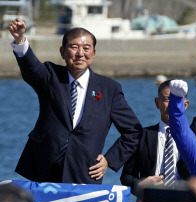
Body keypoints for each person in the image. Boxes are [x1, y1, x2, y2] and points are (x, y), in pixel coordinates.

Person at [8, 19, 142, 184]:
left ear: (93, 52)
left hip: (84, 173)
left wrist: (109, 160)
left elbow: (134, 132)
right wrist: (20, 39)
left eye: (86, 48)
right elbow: (31, 68)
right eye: (74, 47)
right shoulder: (50, 76)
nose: (80, 53)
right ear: (63, 52)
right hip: (42, 170)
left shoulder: (109, 88)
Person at [120, 79, 190, 202]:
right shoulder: (142, 136)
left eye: (177, 100)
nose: (171, 105)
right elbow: (126, 176)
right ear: (157, 103)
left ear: (185, 104)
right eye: (166, 100)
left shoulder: (195, 138)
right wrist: (139, 185)